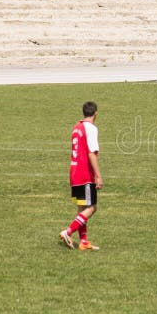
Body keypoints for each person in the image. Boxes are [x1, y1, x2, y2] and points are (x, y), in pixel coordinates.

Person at [59, 101, 104, 251]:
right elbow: (91, 153)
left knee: (82, 208)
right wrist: (98, 175)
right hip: (84, 174)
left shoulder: (76, 127)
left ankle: (83, 242)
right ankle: (68, 232)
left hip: (74, 172)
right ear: (95, 113)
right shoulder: (91, 128)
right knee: (91, 208)